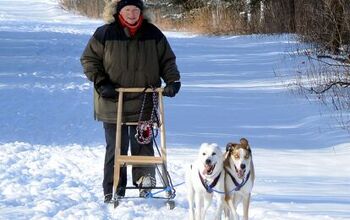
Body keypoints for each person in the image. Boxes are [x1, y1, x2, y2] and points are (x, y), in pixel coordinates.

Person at [80, 0, 181, 203]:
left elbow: (167, 60)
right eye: (128, 10)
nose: (132, 14)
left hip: (145, 100)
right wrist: (101, 83)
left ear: (142, 12)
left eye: (136, 10)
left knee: (143, 143)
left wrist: (172, 81)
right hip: (113, 100)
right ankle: (114, 188)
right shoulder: (104, 33)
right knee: (116, 146)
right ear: (118, 12)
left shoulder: (153, 33)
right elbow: (89, 60)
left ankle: (145, 183)